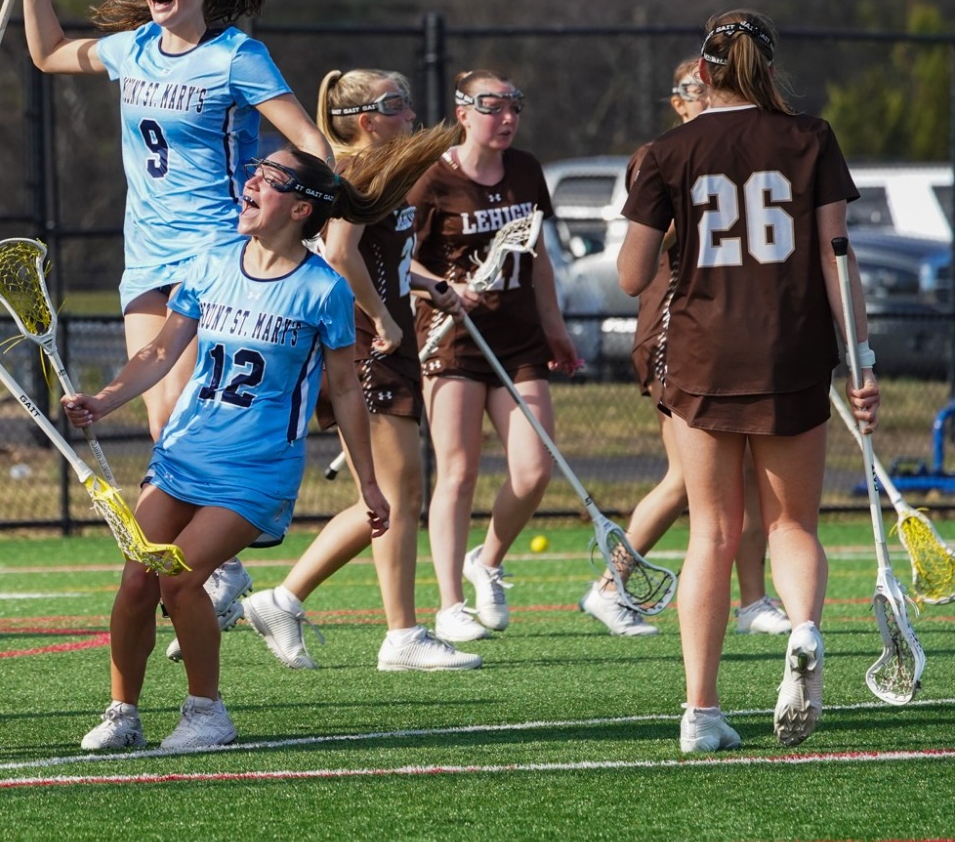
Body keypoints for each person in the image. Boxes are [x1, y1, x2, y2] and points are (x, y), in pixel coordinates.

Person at [10, 0, 332, 638]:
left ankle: (214, 551)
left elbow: (308, 139)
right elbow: (49, 52)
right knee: (160, 410)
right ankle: (221, 567)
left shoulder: (236, 57)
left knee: (187, 400)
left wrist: (311, 215)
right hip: (145, 251)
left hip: (216, 246)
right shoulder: (132, 50)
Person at [66, 150, 389, 751]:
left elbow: (344, 389)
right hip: (184, 455)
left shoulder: (323, 290)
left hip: (257, 470)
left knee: (182, 580)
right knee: (138, 579)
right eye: (256, 171)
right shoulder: (212, 262)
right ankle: (122, 712)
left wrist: (367, 483)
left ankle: (206, 713)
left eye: (267, 178)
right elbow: (160, 353)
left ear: (299, 208)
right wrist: (103, 400)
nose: (251, 182)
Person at [617, 10, 877, 753]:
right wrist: (863, 362)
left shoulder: (669, 150)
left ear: (701, 73)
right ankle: (801, 629)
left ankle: (700, 711)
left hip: (703, 354)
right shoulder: (810, 137)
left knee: (714, 532)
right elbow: (838, 255)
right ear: (766, 67)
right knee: (792, 522)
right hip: (790, 350)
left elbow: (632, 274)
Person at [240, 71, 476, 671]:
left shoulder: (382, 172)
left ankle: (286, 598)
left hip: (383, 337)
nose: (411, 114)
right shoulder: (356, 172)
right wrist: (384, 319)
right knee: (396, 496)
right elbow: (340, 253)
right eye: (398, 105)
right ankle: (395, 633)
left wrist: (424, 286)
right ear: (368, 118)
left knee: (397, 495)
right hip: (369, 343)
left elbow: (374, 256)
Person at [579, 63, 791, 639]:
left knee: (745, 478)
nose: (710, 101)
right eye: (697, 92)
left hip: (733, 338)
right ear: (678, 102)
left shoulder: (745, 151)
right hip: (674, 334)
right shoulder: (663, 155)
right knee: (684, 480)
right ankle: (609, 585)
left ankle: (752, 601)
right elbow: (654, 243)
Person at [410, 70, 580, 643]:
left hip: (517, 338)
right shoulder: (432, 178)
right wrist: (445, 289)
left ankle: (486, 561)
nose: (506, 118)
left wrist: (555, 329)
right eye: (493, 107)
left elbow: (539, 258)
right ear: (463, 113)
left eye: (514, 107)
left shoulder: (527, 171)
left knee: (533, 471)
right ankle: (450, 606)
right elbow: (400, 262)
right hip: (452, 337)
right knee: (456, 471)